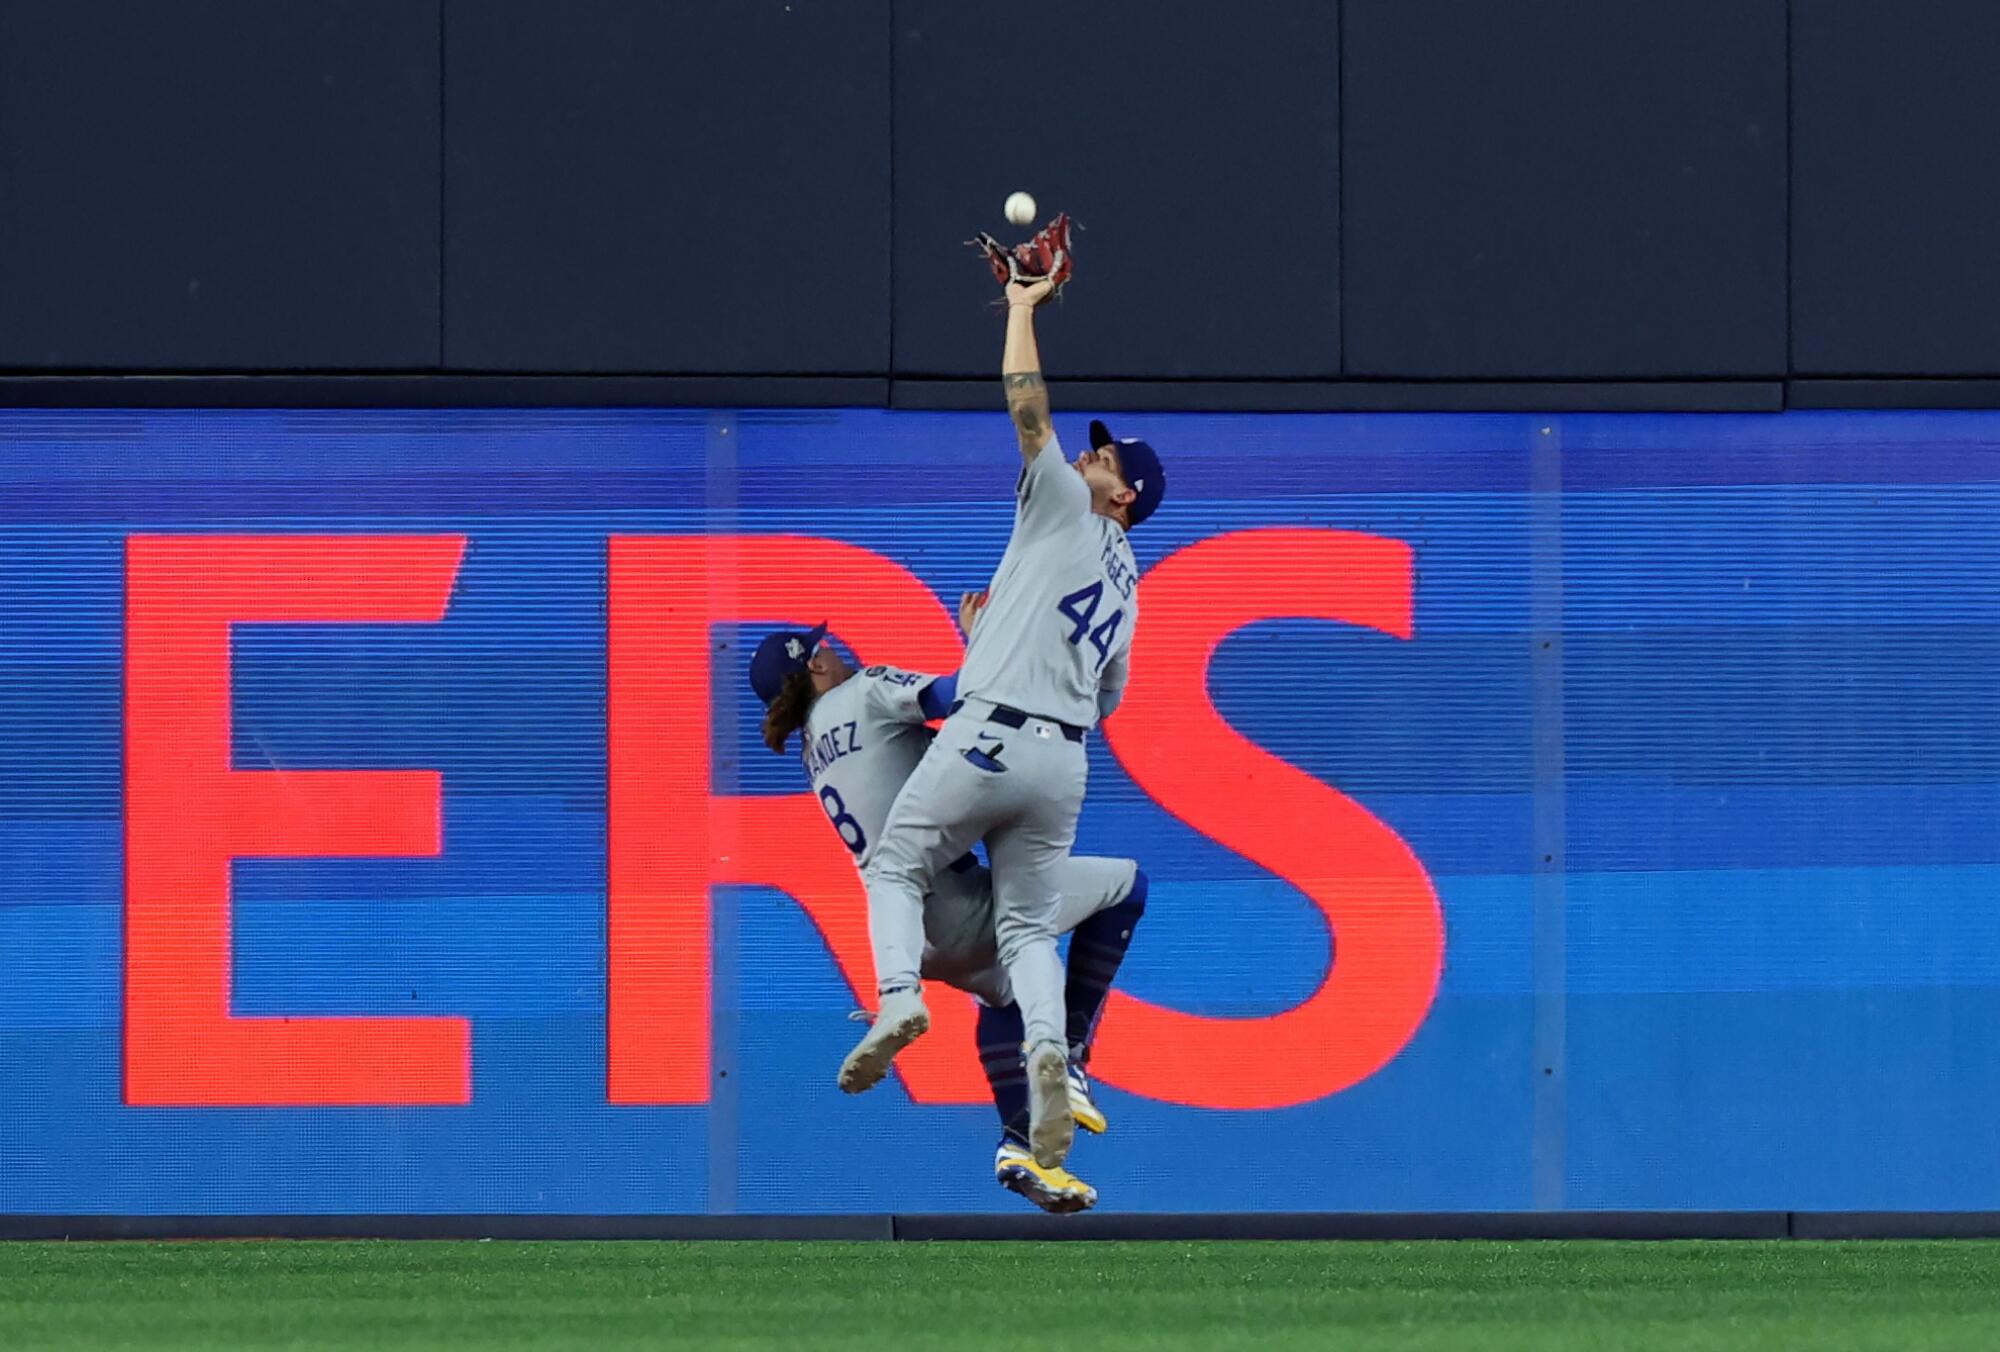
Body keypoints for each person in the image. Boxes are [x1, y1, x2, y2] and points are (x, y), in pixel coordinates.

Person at [841, 268, 1167, 1169]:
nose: (1091, 456)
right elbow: (1107, 697)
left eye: (1107, 458)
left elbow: (1027, 410)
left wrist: (1022, 310)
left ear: (1123, 494)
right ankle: (1049, 1050)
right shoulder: (1131, 590)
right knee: (1026, 930)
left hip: (990, 734)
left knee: (898, 862)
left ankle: (899, 995)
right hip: (1064, 763)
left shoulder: (1065, 497)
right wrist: (995, 642)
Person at [749, 621, 1148, 1213]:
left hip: (915, 935)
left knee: (1004, 997)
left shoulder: (813, 745)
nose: (837, 649)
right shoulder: (864, 690)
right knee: (1126, 885)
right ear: (813, 666)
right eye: (824, 647)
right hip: (962, 904)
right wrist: (984, 634)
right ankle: (1071, 1057)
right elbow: (963, 695)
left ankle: (1020, 1148)